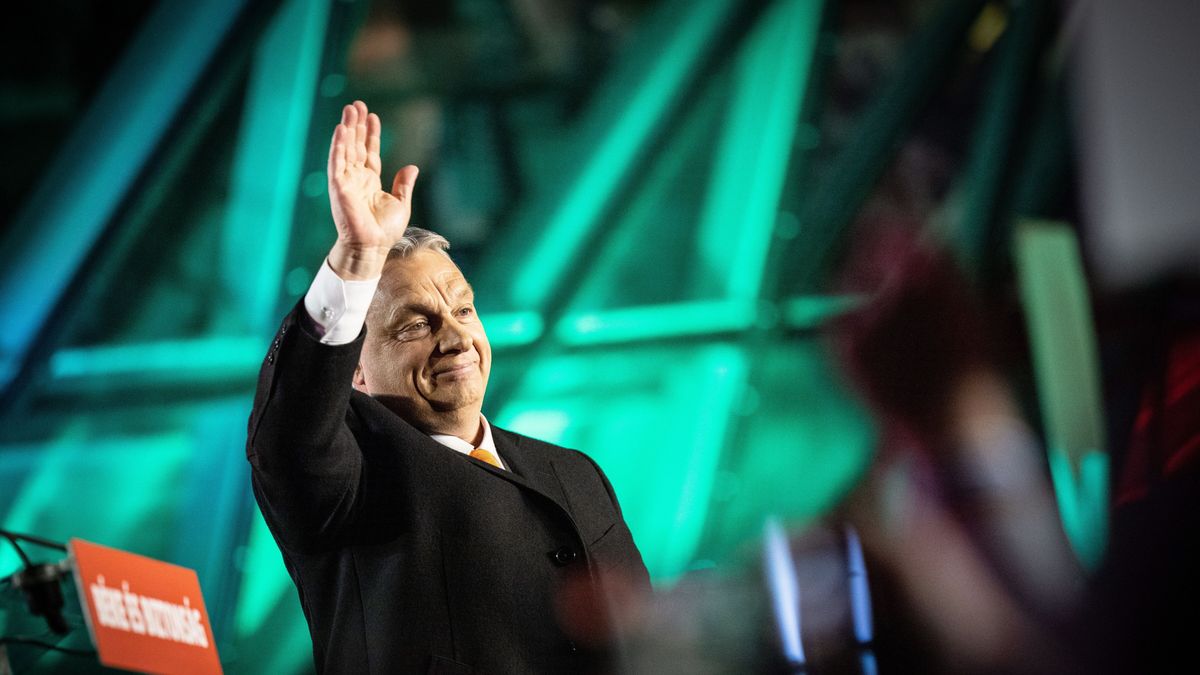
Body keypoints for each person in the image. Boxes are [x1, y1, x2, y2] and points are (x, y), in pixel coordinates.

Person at [246, 100, 650, 673]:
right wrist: (358, 258)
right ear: (355, 372)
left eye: (464, 309)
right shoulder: (350, 479)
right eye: (415, 325)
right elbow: (289, 435)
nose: (456, 336)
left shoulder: (575, 472)